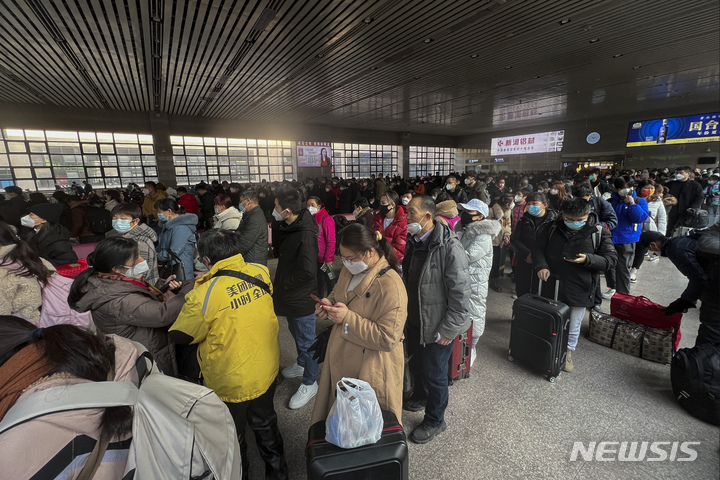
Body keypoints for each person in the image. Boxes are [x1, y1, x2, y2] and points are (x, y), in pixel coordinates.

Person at [169, 230, 289, 480]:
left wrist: (181, 295)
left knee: (233, 434)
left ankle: (239, 473)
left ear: (206, 261)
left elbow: (183, 336)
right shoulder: (261, 271)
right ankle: (278, 474)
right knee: (266, 423)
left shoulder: (202, 295)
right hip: (266, 367)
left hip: (230, 378)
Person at [311, 224, 408, 425]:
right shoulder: (349, 269)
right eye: (343, 258)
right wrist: (328, 304)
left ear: (369, 252)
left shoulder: (391, 285)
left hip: (371, 365)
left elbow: (388, 338)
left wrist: (346, 317)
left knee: (365, 425)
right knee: (341, 419)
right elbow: (338, 293)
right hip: (342, 352)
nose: (346, 263)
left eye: (351, 258)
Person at [402, 195, 472, 444]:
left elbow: (462, 295)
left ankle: (435, 419)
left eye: (411, 213)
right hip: (417, 320)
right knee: (420, 365)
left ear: (427, 216)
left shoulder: (449, 247)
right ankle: (421, 396)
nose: (406, 217)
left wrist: (448, 330)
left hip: (438, 325)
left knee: (435, 373)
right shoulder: (415, 239)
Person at [68, 237, 189, 376]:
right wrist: (187, 291)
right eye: (136, 257)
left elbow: (140, 300)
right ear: (117, 269)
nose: (142, 260)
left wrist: (162, 287)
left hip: (143, 350)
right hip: (139, 361)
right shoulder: (118, 299)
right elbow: (162, 314)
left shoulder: (111, 280)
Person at [533, 198, 618, 372]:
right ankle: (545, 347)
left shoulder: (598, 232)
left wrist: (588, 259)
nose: (574, 223)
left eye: (579, 219)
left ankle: (568, 352)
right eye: (569, 219)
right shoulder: (552, 227)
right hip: (552, 282)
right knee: (548, 317)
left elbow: (611, 260)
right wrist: (541, 265)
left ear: (587, 215)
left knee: (574, 324)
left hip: (580, 285)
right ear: (562, 214)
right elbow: (538, 248)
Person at [271, 186, 320, 409]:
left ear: (287, 211)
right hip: (290, 295)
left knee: (307, 341)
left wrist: (282, 284)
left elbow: (307, 272)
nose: (274, 210)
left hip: (300, 297)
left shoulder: (305, 234)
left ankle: (310, 382)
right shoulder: (290, 226)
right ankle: (301, 364)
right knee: (295, 332)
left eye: (277, 207)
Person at [641, 225, 719, 345]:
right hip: (714, 274)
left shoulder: (675, 250)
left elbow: (699, 278)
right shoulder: (678, 241)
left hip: (715, 285)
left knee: (710, 331)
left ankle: (705, 358)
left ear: (652, 245)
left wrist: (684, 301)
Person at [455, 199, 500, 366]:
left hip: (475, 282)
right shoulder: (463, 230)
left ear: (480, 216)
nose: (464, 215)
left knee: (475, 312)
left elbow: (466, 257)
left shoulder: (483, 236)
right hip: (461, 278)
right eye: (464, 211)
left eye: (469, 212)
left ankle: (472, 348)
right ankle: (461, 347)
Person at [602, 178, 649, 298]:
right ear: (617, 189)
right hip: (610, 237)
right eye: (622, 188)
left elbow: (639, 218)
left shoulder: (640, 201)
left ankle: (623, 295)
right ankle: (612, 288)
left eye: (628, 187)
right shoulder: (611, 201)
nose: (625, 191)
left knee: (623, 268)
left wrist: (631, 204)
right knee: (609, 266)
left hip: (627, 238)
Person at [0, 221, 54, 322]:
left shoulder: (3, 272)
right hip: (42, 322)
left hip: (19, 331)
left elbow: (2, 316)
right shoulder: (33, 259)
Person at [511, 192, 558, 298]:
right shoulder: (523, 220)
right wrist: (528, 253)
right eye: (529, 204)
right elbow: (515, 240)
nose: (531, 206)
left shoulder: (553, 221)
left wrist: (538, 257)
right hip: (525, 259)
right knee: (523, 287)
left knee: (542, 290)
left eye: (535, 204)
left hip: (545, 262)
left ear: (544, 205)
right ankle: (520, 311)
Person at [111, 202, 159, 286]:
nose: (118, 222)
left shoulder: (140, 242)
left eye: (123, 219)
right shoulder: (127, 238)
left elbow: (142, 273)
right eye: (115, 218)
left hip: (141, 288)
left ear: (136, 221)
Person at [630, 180, 666, 280]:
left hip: (648, 230)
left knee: (640, 250)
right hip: (633, 228)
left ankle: (634, 270)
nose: (649, 190)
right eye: (646, 188)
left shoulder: (657, 200)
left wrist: (660, 234)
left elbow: (662, 218)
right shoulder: (634, 199)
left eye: (651, 188)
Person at [155, 197, 198, 280]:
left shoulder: (181, 228)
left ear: (169, 211)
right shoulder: (166, 227)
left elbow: (174, 252)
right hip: (171, 268)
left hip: (181, 270)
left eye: (160, 211)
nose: (157, 214)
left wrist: (157, 256)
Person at [307, 196, 336, 298]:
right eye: (308, 205)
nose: (310, 207)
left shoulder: (327, 219)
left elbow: (331, 240)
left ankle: (331, 300)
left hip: (325, 258)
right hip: (315, 257)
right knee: (319, 279)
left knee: (329, 279)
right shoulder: (311, 219)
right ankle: (320, 298)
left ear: (319, 206)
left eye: (312, 205)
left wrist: (328, 258)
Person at [665, 166, 706, 233]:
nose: (678, 175)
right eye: (677, 173)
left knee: (683, 231)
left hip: (686, 211)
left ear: (688, 174)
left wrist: (692, 208)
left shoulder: (695, 185)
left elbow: (699, 197)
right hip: (671, 211)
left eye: (681, 173)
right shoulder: (670, 184)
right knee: (669, 229)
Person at [372, 190, 408, 264]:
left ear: (392, 205)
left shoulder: (403, 223)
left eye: (383, 203)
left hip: (393, 262)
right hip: (377, 259)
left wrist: (381, 257)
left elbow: (399, 249)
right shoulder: (378, 219)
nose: (381, 205)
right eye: (380, 203)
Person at [235, 189, 269, 266]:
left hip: (253, 261)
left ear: (248, 201)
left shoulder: (255, 219)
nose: (240, 204)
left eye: (241, 201)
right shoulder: (251, 214)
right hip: (251, 258)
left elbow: (243, 244)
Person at [488, 194, 513, 292]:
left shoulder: (508, 212)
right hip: (492, 241)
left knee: (498, 261)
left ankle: (494, 280)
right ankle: (489, 280)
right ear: (506, 204)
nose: (512, 204)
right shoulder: (491, 211)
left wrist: (507, 234)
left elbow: (508, 225)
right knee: (491, 262)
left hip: (501, 241)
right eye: (511, 202)